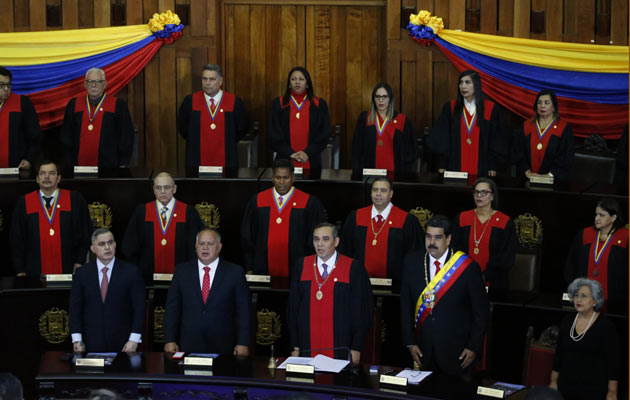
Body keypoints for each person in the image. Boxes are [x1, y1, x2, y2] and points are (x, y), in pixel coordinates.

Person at [400, 215, 489, 375]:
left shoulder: (467, 267)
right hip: (422, 349)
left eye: (437, 237)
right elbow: (405, 306)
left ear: (448, 239)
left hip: (457, 351)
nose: (431, 242)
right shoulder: (412, 262)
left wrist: (473, 346)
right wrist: (409, 342)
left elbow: (481, 312)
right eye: (428, 237)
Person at [288, 223, 373, 363]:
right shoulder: (302, 265)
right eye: (316, 239)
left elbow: (362, 312)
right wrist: (295, 346)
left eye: (325, 239)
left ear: (336, 241)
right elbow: (293, 309)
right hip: (306, 347)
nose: (320, 244)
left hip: (341, 347)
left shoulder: (353, 267)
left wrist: (356, 347)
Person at [164, 228, 250, 355]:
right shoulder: (182, 271)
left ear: (219, 247)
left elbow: (244, 311)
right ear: (195, 246)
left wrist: (243, 342)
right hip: (189, 343)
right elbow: (172, 308)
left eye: (210, 244)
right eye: (201, 243)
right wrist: (169, 339)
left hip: (223, 345)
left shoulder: (235, 272)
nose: (205, 247)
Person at [241, 158, 325, 276]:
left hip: (298, 268)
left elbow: (315, 240)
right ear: (272, 178)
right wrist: (250, 266)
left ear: (293, 178)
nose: (281, 182)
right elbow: (248, 237)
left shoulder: (309, 203)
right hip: (263, 267)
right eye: (277, 177)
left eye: (285, 178)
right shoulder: (258, 201)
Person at [10, 161, 92, 277]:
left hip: (68, 269)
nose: (47, 177)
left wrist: (79, 261)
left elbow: (84, 234)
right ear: (37, 179)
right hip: (34, 272)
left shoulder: (73, 200)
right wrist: (20, 269)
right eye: (42, 173)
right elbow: (16, 239)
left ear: (58, 178)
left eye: (52, 173)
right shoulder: (24, 202)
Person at [69, 229, 145, 353]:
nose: (107, 247)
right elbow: (75, 309)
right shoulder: (82, 273)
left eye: (110, 243)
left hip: (124, 343)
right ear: (93, 248)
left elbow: (139, 308)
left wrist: (134, 339)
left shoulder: (131, 272)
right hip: (91, 342)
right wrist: (77, 339)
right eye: (102, 244)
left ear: (115, 244)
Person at [122, 172, 204, 281]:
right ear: (154, 190)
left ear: (174, 189)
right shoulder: (142, 212)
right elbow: (130, 245)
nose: (163, 191)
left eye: (167, 187)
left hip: (182, 275)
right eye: (158, 188)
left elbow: (194, 247)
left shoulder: (188, 212)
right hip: (147, 274)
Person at [427, 69, 507, 177]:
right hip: (454, 164)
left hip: (482, 166)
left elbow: (497, 140)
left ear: (476, 85)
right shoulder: (450, 108)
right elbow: (442, 138)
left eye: (467, 82)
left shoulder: (490, 109)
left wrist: (493, 165)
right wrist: (442, 163)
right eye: (461, 82)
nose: (463, 86)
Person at [339, 176, 423, 280]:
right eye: (375, 190)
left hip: (396, 284)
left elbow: (414, 256)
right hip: (359, 282)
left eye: (383, 190)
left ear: (391, 194)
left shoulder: (406, 220)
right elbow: (345, 251)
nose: (378, 194)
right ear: (370, 193)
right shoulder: (356, 217)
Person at [550, 278, 619, 400]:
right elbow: (559, 355)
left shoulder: (606, 326)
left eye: (584, 296)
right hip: (565, 388)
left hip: (594, 391)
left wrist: (612, 392)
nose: (578, 299)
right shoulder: (567, 321)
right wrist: (553, 381)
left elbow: (613, 363)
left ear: (595, 301)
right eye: (576, 295)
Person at [177, 64, 249, 171]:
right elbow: (183, 128)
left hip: (227, 161)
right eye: (204, 79)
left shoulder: (234, 102)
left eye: (212, 79)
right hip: (196, 160)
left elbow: (242, 129)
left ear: (220, 81)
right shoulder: (190, 102)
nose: (207, 83)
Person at [60, 68, 134, 168]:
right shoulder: (74, 105)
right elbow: (67, 136)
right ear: (85, 84)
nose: (93, 85)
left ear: (104, 84)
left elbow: (126, 138)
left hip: (109, 168)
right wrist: (69, 163)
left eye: (98, 81)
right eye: (90, 81)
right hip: (78, 167)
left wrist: (123, 164)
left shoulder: (118, 106)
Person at [451, 177, 517, 290]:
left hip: (495, 283)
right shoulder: (462, 218)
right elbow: (455, 249)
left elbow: (506, 257)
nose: (479, 195)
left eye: (484, 192)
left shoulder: (504, 222)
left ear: (492, 196)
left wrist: (484, 276)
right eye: (476, 192)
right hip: (463, 279)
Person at [565, 198, 628, 310]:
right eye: (596, 214)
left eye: (602, 215)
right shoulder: (585, 234)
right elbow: (571, 265)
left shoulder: (625, 237)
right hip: (584, 300)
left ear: (613, 218)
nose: (597, 218)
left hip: (614, 302)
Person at [269, 66, 330, 169]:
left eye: (301, 79)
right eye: (293, 79)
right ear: (289, 83)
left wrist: (307, 153)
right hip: (284, 159)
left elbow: (323, 134)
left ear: (307, 83)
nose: (297, 82)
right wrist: (290, 153)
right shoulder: (279, 104)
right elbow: (274, 133)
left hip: (311, 159)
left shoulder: (319, 104)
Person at [351, 82, 417, 174]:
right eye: (377, 97)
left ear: (390, 99)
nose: (381, 100)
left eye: (384, 97)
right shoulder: (365, 118)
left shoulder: (402, 121)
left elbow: (410, 152)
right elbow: (356, 149)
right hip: (369, 173)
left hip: (394, 174)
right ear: (373, 99)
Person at [512, 89, 575, 181]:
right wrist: (527, 172)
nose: (542, 106)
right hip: (527, 178)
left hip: (555, 180)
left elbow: (566, 157)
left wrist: (550, 175)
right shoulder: (527, 126)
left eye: (547, 103)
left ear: (554, 107)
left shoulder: (564, 128)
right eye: (539, 103)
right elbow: (518, 152)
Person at [0, 66, 41, 169]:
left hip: (16, 168)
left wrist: (29, 159)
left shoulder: (22, 103)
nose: (6, 89)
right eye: (1, 85)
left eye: (8, 85)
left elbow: (35, 136)